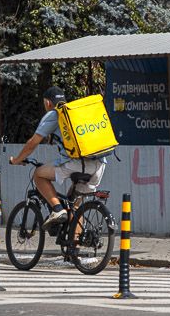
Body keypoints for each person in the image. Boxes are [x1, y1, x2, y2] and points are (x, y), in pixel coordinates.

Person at [8, 86, 106, 228]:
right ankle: (74, 246)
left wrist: (16, 160)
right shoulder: (74, 112)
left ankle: (57, 209)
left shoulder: (54, 114)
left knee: (39, 175)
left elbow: (32, 143)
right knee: (75, 206)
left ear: (48, 102)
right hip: (99, 163)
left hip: (77, 164)